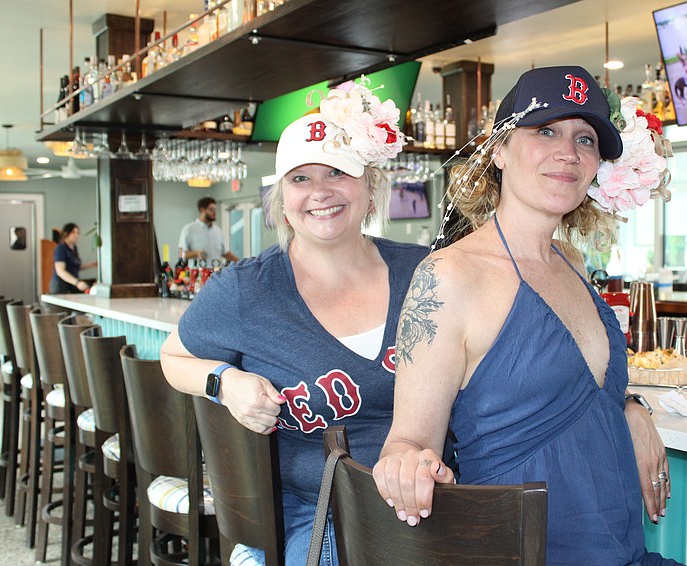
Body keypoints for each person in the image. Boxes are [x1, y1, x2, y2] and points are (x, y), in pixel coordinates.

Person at [373, 66, 680, 565]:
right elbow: (408, 440)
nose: (568, 152)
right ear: (499, 150)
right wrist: (405, 466)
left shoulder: (573, 265)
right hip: (520, 553)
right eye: (546, 131)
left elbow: (584, 388)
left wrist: (632, 407)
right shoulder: (449, 276)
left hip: (621, 549)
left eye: (585, 138)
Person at [160, 80, 426, 565]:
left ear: (370, 187)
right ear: (281, 200)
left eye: (337, 172)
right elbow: (172, 356)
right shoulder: (245, 289)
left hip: (431, 495)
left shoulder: (425, 272)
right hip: (318, 509)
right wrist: (225, 381)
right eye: (300, 179)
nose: (319, 192)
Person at [177, 197, 239, 264]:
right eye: (211, 209)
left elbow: (224, 252)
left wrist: (241, 262)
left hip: (217, 271)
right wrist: (196, 253)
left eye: (215, 209)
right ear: (202, 210)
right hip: (198, 273)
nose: (214, 212)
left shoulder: (218, 230)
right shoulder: (188, 229)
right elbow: (181, 254)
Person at [49, 223, 97, 294]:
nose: (76, 235)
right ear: (66, 233)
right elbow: (60, 271)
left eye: (77, 233)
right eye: (73, 232)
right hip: (60, 286)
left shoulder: (74, 248)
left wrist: (92, 265)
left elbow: (74, 266)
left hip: (71, 285)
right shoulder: (61, 248)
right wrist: (77, 282)